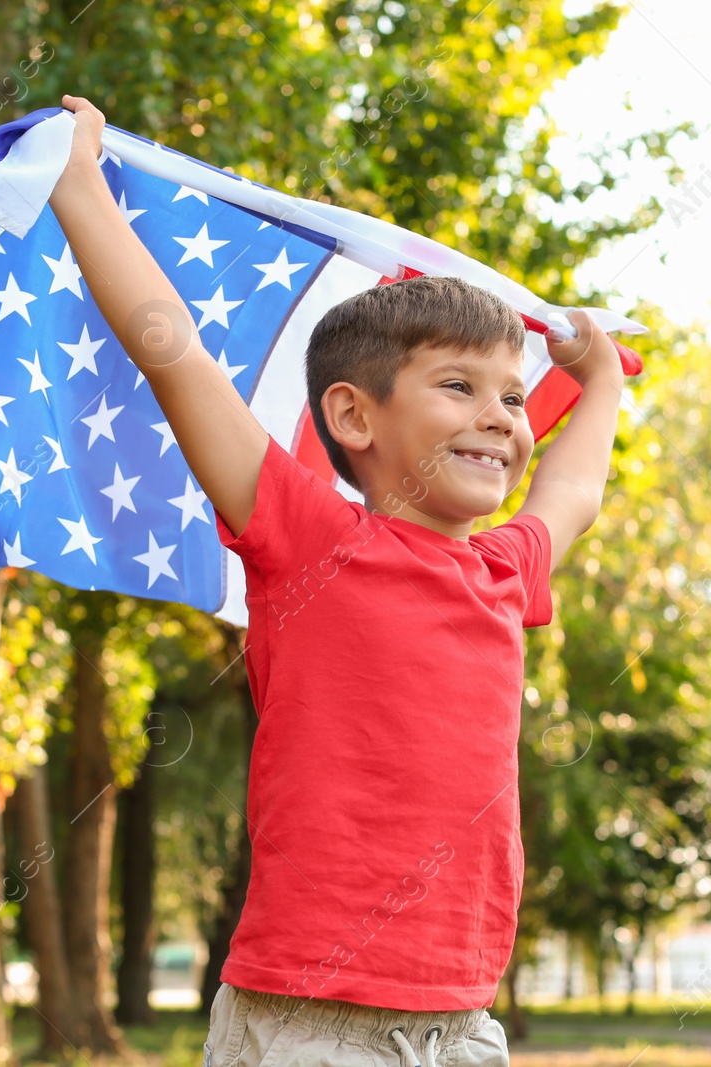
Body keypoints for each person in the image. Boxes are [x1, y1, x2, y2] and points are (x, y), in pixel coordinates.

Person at [49, 95, 626, 1067]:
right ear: (354, 418)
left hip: (460, 1017)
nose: (500, 417)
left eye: (514, 397)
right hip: (311, 1013)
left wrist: (601, 380)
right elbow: (174, 355)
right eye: (459, 386)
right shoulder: (307, 536)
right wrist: (77, 186)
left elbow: (574, 488)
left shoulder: (501, 570)